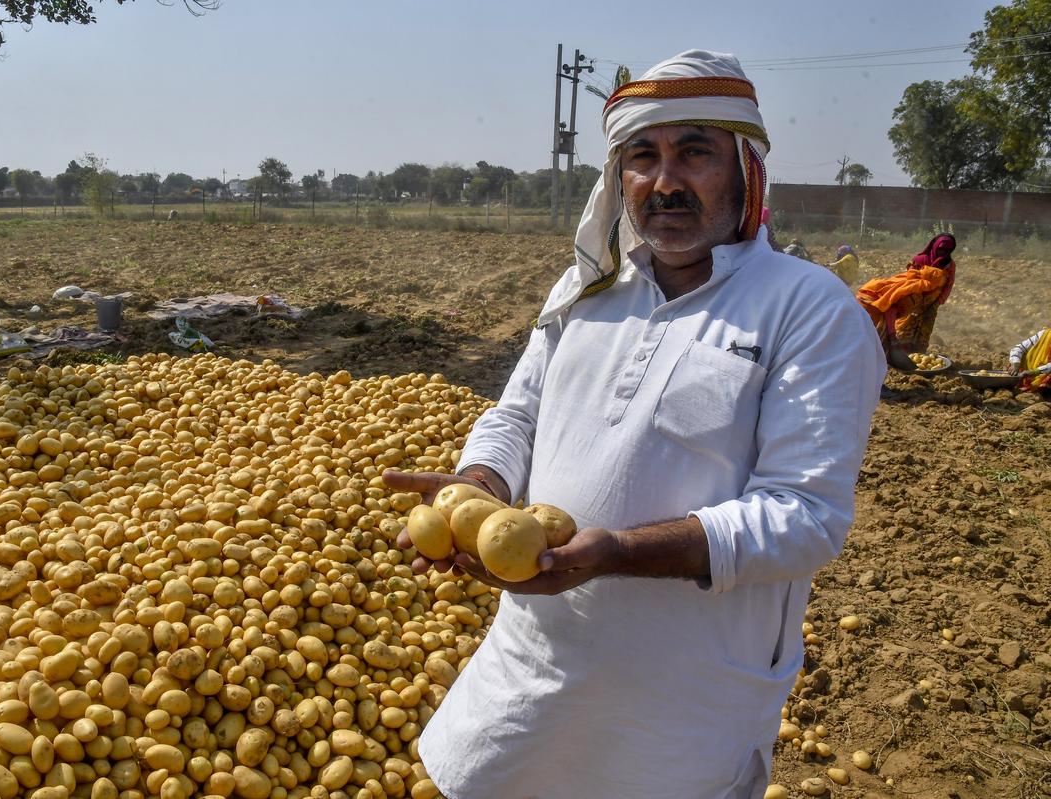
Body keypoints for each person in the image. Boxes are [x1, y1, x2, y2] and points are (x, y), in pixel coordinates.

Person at [383, 49, 883, 798]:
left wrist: (615, 552)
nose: (664, 181)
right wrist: (477, 484)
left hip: (679, 709)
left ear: (745, 170)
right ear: (620, 177)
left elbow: (804, 515)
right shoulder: (588, 287)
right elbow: (517, 414)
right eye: (642, 157)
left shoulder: (807, 309)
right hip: (532, 674)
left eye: (694, 153)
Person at [855, 233, 956, 371]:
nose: (942, 253)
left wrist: (938, 301)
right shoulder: (911, 285)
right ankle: (882, 357)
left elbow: (948, 284)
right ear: (934, 246)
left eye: (946, 251)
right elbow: (889, 308)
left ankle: (908, 352)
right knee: (901, 326)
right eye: (940, 249)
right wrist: (893, 338)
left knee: (922, 326)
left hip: (929, 301)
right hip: (891, 301)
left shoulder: (949, 265)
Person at [1007, 328, 1051, 392]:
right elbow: (1019, 348)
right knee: (1016, 359)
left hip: (1043, 375)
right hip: (1027, 373)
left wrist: (1035, 372)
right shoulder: (1044, 334)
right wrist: (1016, 363)